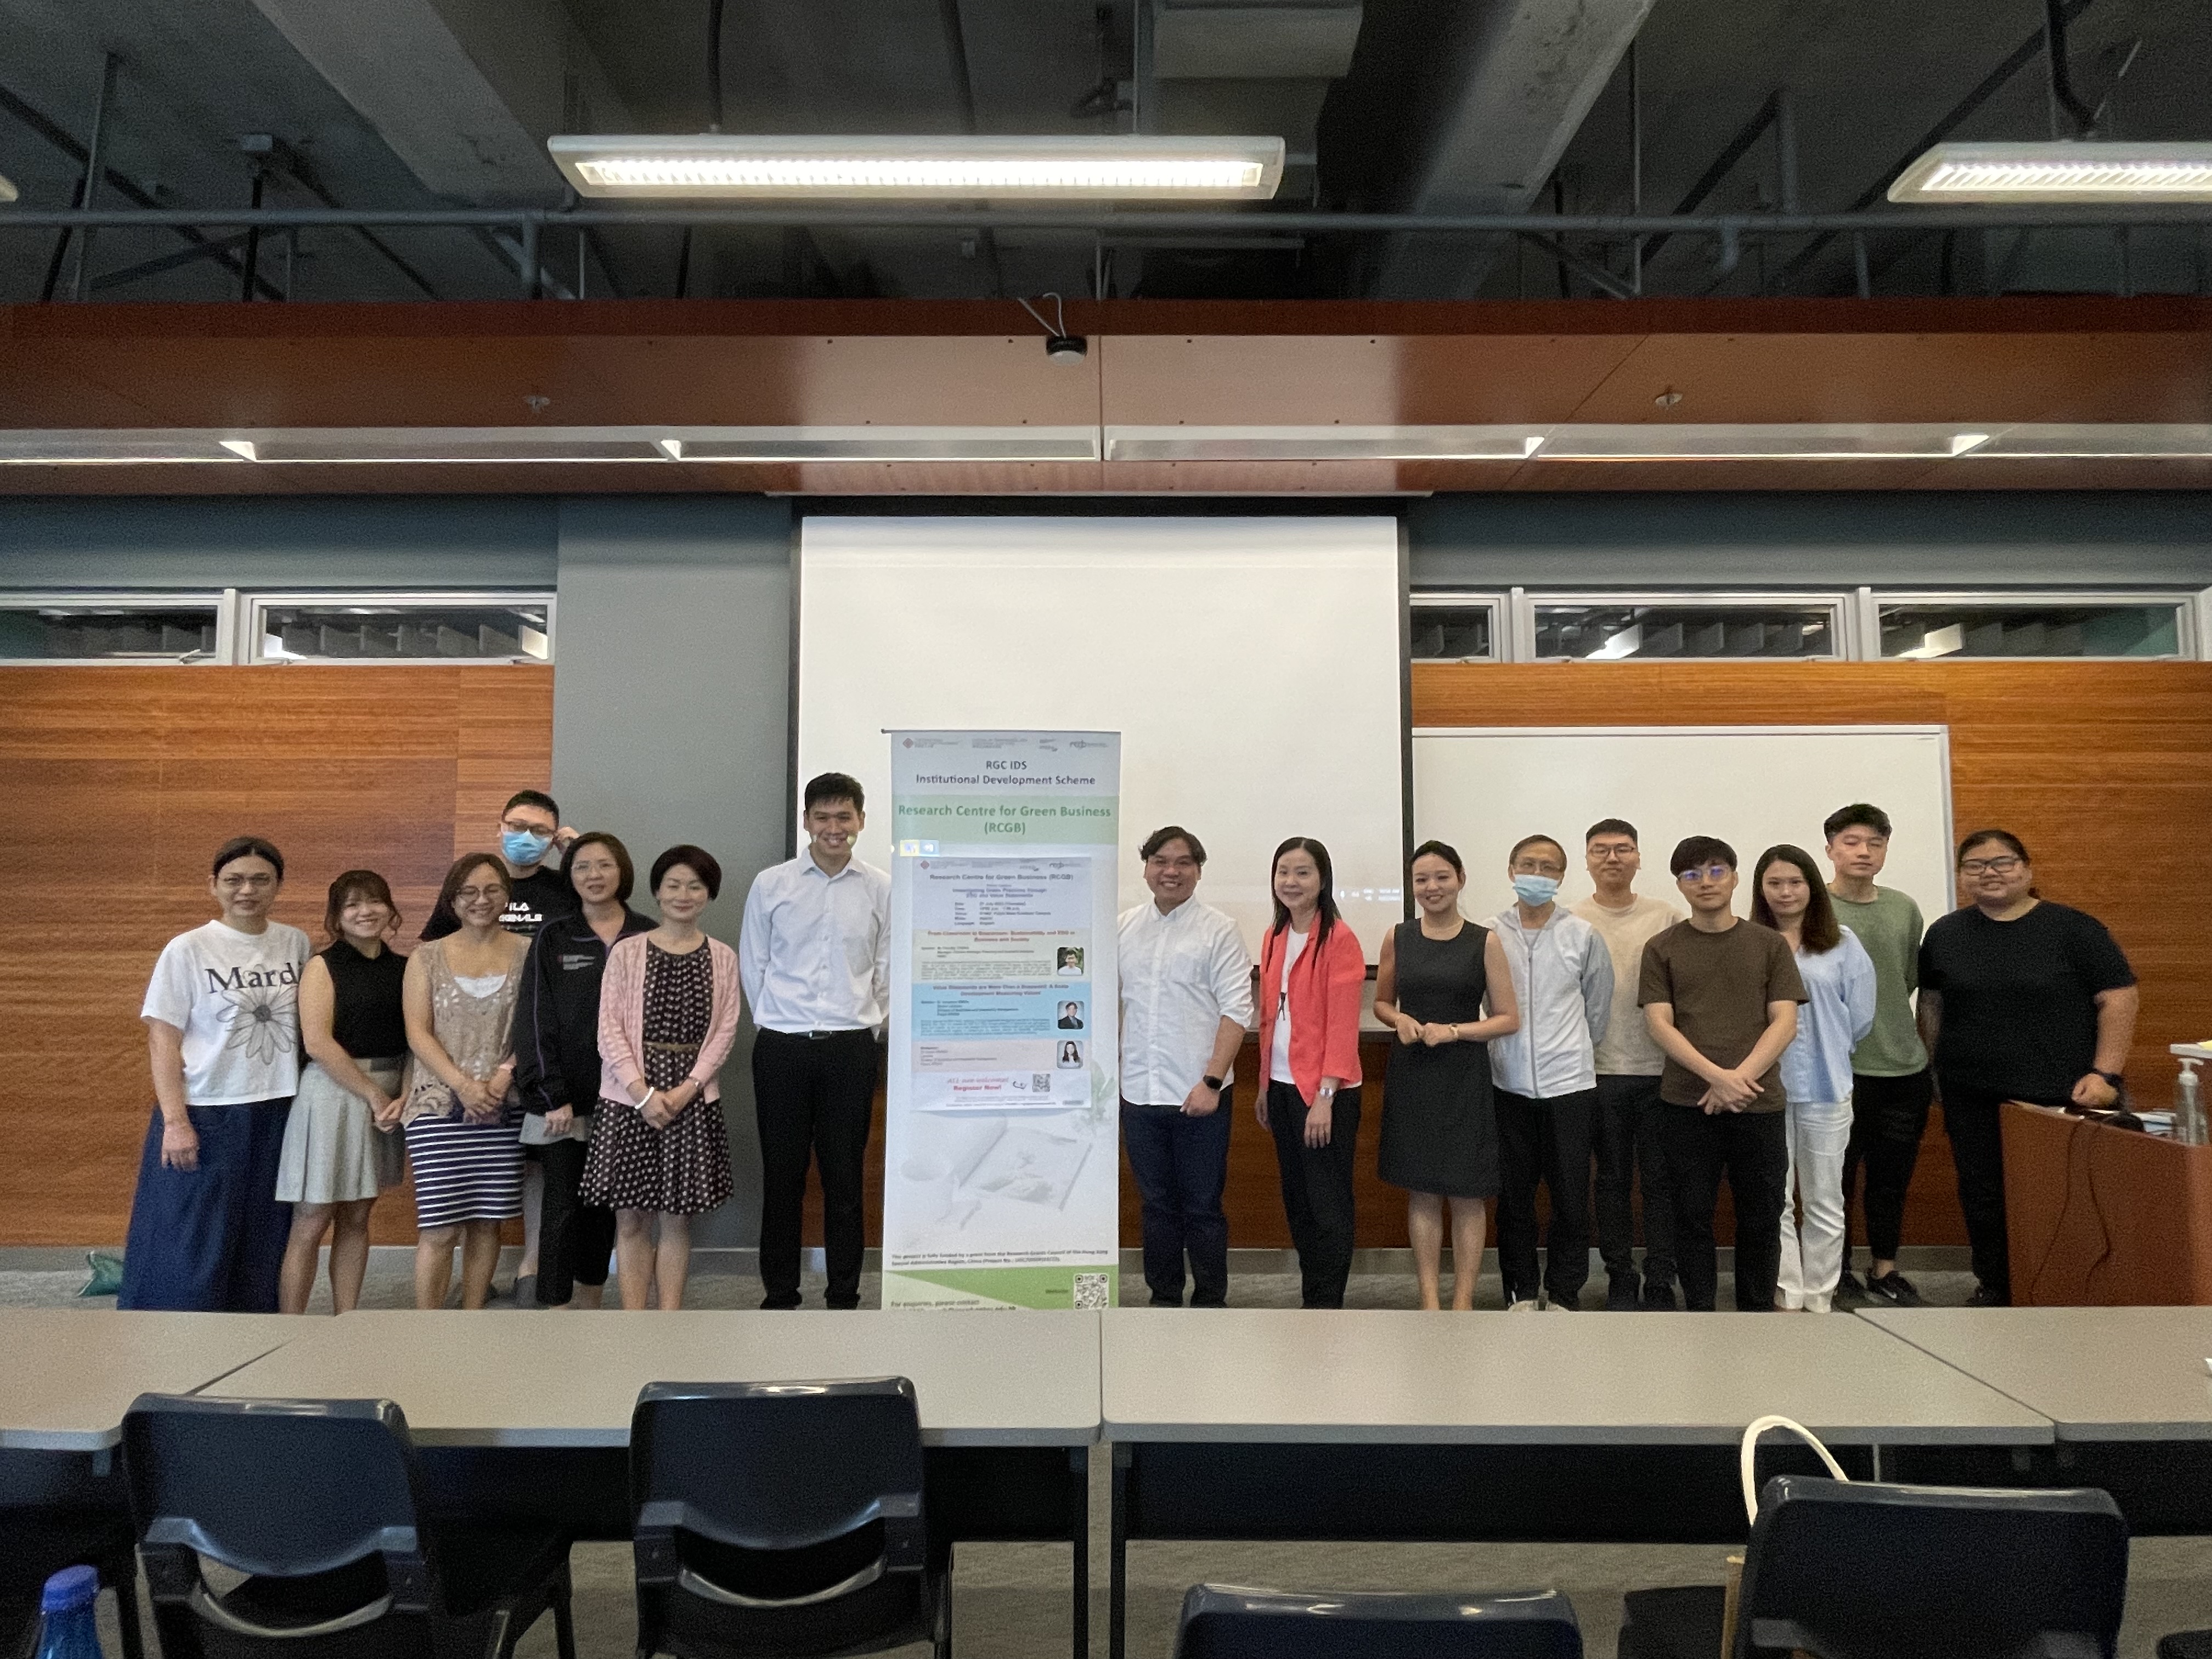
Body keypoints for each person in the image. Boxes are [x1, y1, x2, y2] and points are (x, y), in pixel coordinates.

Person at [1919, 830, 2138, 1307]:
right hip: (1970, 1090)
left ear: (2027, 869)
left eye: (2002, 862)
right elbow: (1932, 1004)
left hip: (2059, 1093)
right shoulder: (1945, 933)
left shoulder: (2075, 930)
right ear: (1961, 876)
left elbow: (2119, 999)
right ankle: (1996, 1285)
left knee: (2057, 1196)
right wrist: (1934, 1068)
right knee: (1982, 1193)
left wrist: (2106, 1075)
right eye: (1975, 865)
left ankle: (2065, 1288)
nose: (1990, 873)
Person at [119, 836, 311, 1312]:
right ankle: (177, 1333)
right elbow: (163, 1039)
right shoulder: (187, 949)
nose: (247, 890)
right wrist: (175, 1121)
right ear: (213, 885)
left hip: (278, 1107)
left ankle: (250, 1331)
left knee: (264, 1231)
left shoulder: (295, 942)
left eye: (260, 880)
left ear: (279, 885)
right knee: (191, 1238)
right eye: (234, 880)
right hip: (207, 1110)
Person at [419, 787, 579, 1307]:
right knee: (468, 1187)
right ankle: (464, 1279)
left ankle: (531, 1263)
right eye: (517, 826)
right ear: (499, 826)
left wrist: (574, 857)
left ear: (553, 837)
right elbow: (431, 962)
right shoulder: (469, 886)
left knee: (538, 1163)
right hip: (460, 1064)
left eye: (540, 831)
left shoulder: (564, 888)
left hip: (536, 1051)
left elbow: (602, 925)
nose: (525, 837)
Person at [739, 771, 890, 1311]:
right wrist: (778, 1021)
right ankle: (780, 1293)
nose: (833, 827)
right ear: (806, 821)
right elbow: (754, 963)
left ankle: (844, 1293)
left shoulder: (881, 887)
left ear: (861, 821)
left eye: (844, 817)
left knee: (844, 1177)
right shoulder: (771, 884)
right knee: (783, 1177)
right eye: (822, 816)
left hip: (850, 1048)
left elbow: (886, 968)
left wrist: (868, 1022)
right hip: (782, 1047)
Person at [1638, 837, 1805, 1312]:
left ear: (1734, 878)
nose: (1705, 883)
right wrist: (1716, 1077)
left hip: (1759, 1102)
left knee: (1762, 1215)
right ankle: (1701, 1311)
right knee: (1691, 1215)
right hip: (1687, 1104)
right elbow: (1659, 1024)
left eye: (1716, 871)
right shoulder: (1662, 947)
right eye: (1692, 875)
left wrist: (1738, 1080)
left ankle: (1755, 1311)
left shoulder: (1769, 944)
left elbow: (1785, 1022)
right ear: (1679, 885)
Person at [583, 845, 742, 1311]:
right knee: (631, 1220)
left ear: (709, 894)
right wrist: (641, 1093)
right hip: (628, 1097)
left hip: (690, 1097)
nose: (683, 895)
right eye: (673, 885)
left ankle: (669, 1318)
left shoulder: (723, 957)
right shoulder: (628, 952)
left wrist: (688, 1089)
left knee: (677, 1218)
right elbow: (609, 1028)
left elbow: (725, 1031)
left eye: (695, 886)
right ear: (657, 891)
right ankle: (636, 1321)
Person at [1374, 840, 1520, 1311]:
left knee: (1467, 1192)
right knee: (1421, 1188)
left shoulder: (1485, 940)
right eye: (1422, 879)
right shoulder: (1398, 937)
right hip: (1413, 1074)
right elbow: (1382, 1003)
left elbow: (1508, 1018)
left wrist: (1455, 1031)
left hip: (1464, 1075)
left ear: (1460, 879)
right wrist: (1399, 1019)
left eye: (1441, 877)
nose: (1432, 887)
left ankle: (1463, 1302)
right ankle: (1430, 1301)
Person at [512, 833, 652, 1310]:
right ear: (569, 876)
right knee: (562, 1205)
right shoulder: (554, 936)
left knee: (605, 1207)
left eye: (604, 865)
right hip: (565, 1100)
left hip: (628, 1098)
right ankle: (555, 1307)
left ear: (622, 870)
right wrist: (551, 1094)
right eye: (582, 867)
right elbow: (535, 1017)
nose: (594, 875)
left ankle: (590, 1302)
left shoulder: (647, 934)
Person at [1118, 826, 1255, 1309]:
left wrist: (1212, 1081)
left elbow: (1237, 1010)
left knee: (1202, 1207)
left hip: (1200, 1093)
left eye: (1183, 863)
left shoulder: (1220, 930)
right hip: (1139, 1091)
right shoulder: (1123, 928)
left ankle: (1211, 1301)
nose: (1170, 872)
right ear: (1146, 869)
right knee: (1156, 1206)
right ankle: (1164, 1298)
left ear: (1198, 871)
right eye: (1160, 861)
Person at [275, 871, 409, 1314]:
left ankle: (346, 1317)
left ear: (390, 909)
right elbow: (317, 1042)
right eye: (352, 904)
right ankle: (290, 1324)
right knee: (312, 1217)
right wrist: (373, 1095)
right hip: (332, 1093)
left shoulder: (406, 968)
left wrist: (405, 1095)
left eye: (374, 902)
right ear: (336, 916)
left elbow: (416, 1040)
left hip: (389, 1096)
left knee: (357, 1215)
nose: (365, 912)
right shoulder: (322, 966)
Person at [400, 853, 531, 1311]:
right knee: (439, 1228)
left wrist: (504, 1074)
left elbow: (536, 1026)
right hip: (437, 1104)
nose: (481, 900)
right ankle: (429, 1325)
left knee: (487, 1222)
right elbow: (417, 1032)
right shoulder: (426, 957)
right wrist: (462, 1085)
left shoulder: (528, 952)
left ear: (507, 896)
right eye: (469, 892)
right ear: (452, 900)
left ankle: (472, 1316)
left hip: (503, 1106)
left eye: (492, 890)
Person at [1488, 834, 1611, 1312]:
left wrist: (1568, 1052)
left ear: (1561, 876)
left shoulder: (1582, 934)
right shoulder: (1489, 933)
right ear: (1511, 870)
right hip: (1507, 1086)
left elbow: (1597, 1010)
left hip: (1570, 1088)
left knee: (1571, 1200)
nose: (1537, 874)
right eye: (1528, 864)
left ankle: (1563, 1292)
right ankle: (1520, 1291)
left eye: (1548, 867)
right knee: (1514, 1200)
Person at [1752, 846, 1875, 1314]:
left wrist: (1828, 1045)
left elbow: (1860, 1017)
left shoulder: (1842, 943)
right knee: (1775, 1198)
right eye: (1774, 883)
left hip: (1826, 1085)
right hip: (1765, 1087)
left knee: (1825, 1196)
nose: (1785, 892)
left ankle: (1821, 1292)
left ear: (1812, 887)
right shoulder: (1750, 942)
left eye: (1795, 882)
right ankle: (1788, 1289)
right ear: (1761, 890)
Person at [1822, 803, 1933, 1309]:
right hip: (1838, 1070)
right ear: (1830, 850)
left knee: (1892, 1179)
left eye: (1875, 843)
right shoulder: (1812, 907)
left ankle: (1885, 1268)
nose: (1863, 852)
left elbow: (1906, 980)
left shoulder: (1903, 908)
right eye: (1851, 842)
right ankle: (1837, 1271)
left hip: (1903, 1066)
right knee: (1836, 1181)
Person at [1573, 818, 1686, 1311]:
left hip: (1662, 1072)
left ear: (1639, 857)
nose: (1612, 858)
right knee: (1611, 1181)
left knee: (1662, 1182)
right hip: (1597, 1071)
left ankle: (1661, 1276)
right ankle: (1620, 1273)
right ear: (1587, 860)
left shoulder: (1667, 916)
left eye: (1623, 849)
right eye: (1601, 850)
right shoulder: (1571, 919)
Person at [1255, 837, 1367, 1309]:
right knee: (1298, 1201)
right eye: (1284, 871)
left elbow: (1342, 1026)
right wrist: (1264, 1085)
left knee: (1327, 1204)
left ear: (1323, 880)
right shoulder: (1274, 936)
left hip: (1324, 1093)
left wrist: (1325, 1097)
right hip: (1282, 1087)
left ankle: (1327, 1304)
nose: (1291, 882)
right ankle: (1312, 1297)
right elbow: (1270, 1018)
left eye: (1303, 872)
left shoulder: (1339, 939)